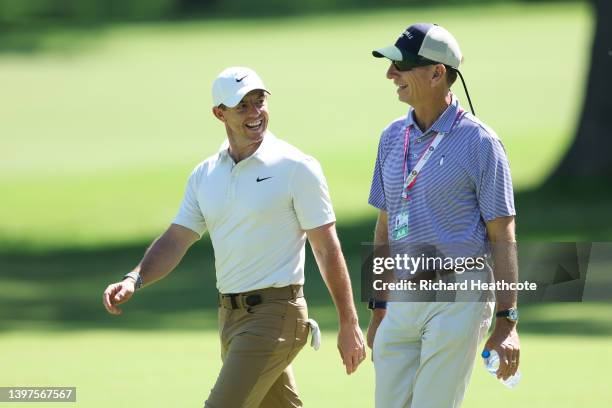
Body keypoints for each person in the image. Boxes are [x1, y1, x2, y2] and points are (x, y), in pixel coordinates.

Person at [102, 66, 365, 408]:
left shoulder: (295, 166)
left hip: (276, 315)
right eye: (242, 106)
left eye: (259, 101)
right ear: (219, 113)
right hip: (230, 318)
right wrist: (134, 279)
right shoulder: (205, 175)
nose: (255, 113)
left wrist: (349, 323)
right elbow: (177, 238)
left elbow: (326, 248)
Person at [366, 23, 521, 408]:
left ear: (437, 73)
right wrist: (378, 306)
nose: (390, 74)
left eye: (401, 65)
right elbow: (383, 229)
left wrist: (507, 322)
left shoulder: (481, 143)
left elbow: (502, 235)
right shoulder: (390, 137)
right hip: (401, 297)